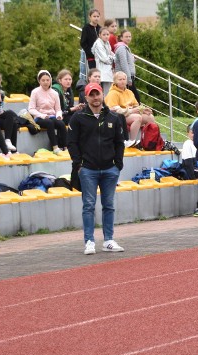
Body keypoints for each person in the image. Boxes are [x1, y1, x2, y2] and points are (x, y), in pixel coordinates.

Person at [67, 82, 125, 255]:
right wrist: (78, 164)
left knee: (109, 205)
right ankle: (89, 241)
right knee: (89, 206)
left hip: (109, 169)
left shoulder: (113, 118)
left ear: (102, 95)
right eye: (91, 95)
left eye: (97, 94)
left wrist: (118, 164)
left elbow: (119, 143)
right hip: (88, 170)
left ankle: (108, 240)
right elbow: (71, 143)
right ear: (86, 97)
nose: (95, 98)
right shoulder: (77, 118)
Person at [105, 71, 155, 147]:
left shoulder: (129, 92)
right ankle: (131, 141)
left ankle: (150, 140)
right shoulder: (112, 93)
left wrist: (143, 110)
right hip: (120, 117)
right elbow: (114, 110)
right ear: (115, 81)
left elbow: (136, 105)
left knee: (150, 116)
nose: (122, 81)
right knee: (137, 117)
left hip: (131, 113)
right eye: (120, 79)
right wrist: (131, 110)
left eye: (124, 79)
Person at [28, 70, 66, 155]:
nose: (45, 82)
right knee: (49, 123)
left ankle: (65, 146)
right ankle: (55, 147)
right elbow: (31, 109)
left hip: (52, 116)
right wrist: (41, 115)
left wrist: (59, 116)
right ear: (39, 81)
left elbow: (58, 109)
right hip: (39, 117)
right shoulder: (35, 92)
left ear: (50, 80)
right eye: (43, 80)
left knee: (61, 124)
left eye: (47, 80)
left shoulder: (54, 93)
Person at [114, 29, 140, 103]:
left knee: (132, 95)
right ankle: (139, 111)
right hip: (124, 77)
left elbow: (127, 62)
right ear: (121, 38)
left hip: (128, 76)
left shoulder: (125, 47)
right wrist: (128, 79)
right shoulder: (122, 48)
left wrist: (133, 60)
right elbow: (124, 64)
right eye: (126, 36)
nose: (128, 38)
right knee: (134, 96)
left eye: (129, 36)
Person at [92, 27, 115, 95]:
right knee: (105, 92)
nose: (106, 36)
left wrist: (112, 57)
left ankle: (107, 104)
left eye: (107, 34)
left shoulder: (107, 43)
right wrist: (112, 58)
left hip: (107, 70)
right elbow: (105, 59)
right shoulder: (98, 44)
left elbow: (111, 54)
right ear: (99, 35)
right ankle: (105, 104)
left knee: (108, 91)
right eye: (104, 34)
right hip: (102, 70)